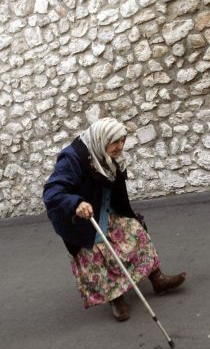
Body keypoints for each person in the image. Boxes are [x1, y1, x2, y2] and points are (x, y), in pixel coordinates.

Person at [43, 117, 186, 321]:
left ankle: (158, 279)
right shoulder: (73, 158)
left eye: (123, 141)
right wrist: (75, 203)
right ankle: (116, 297)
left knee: (136, 232)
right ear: (102, 139)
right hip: (80, 218)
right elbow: (52, 192)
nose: (120, 147)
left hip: (106, 207)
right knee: (99, 254)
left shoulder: (110, 154)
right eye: (115, 142)